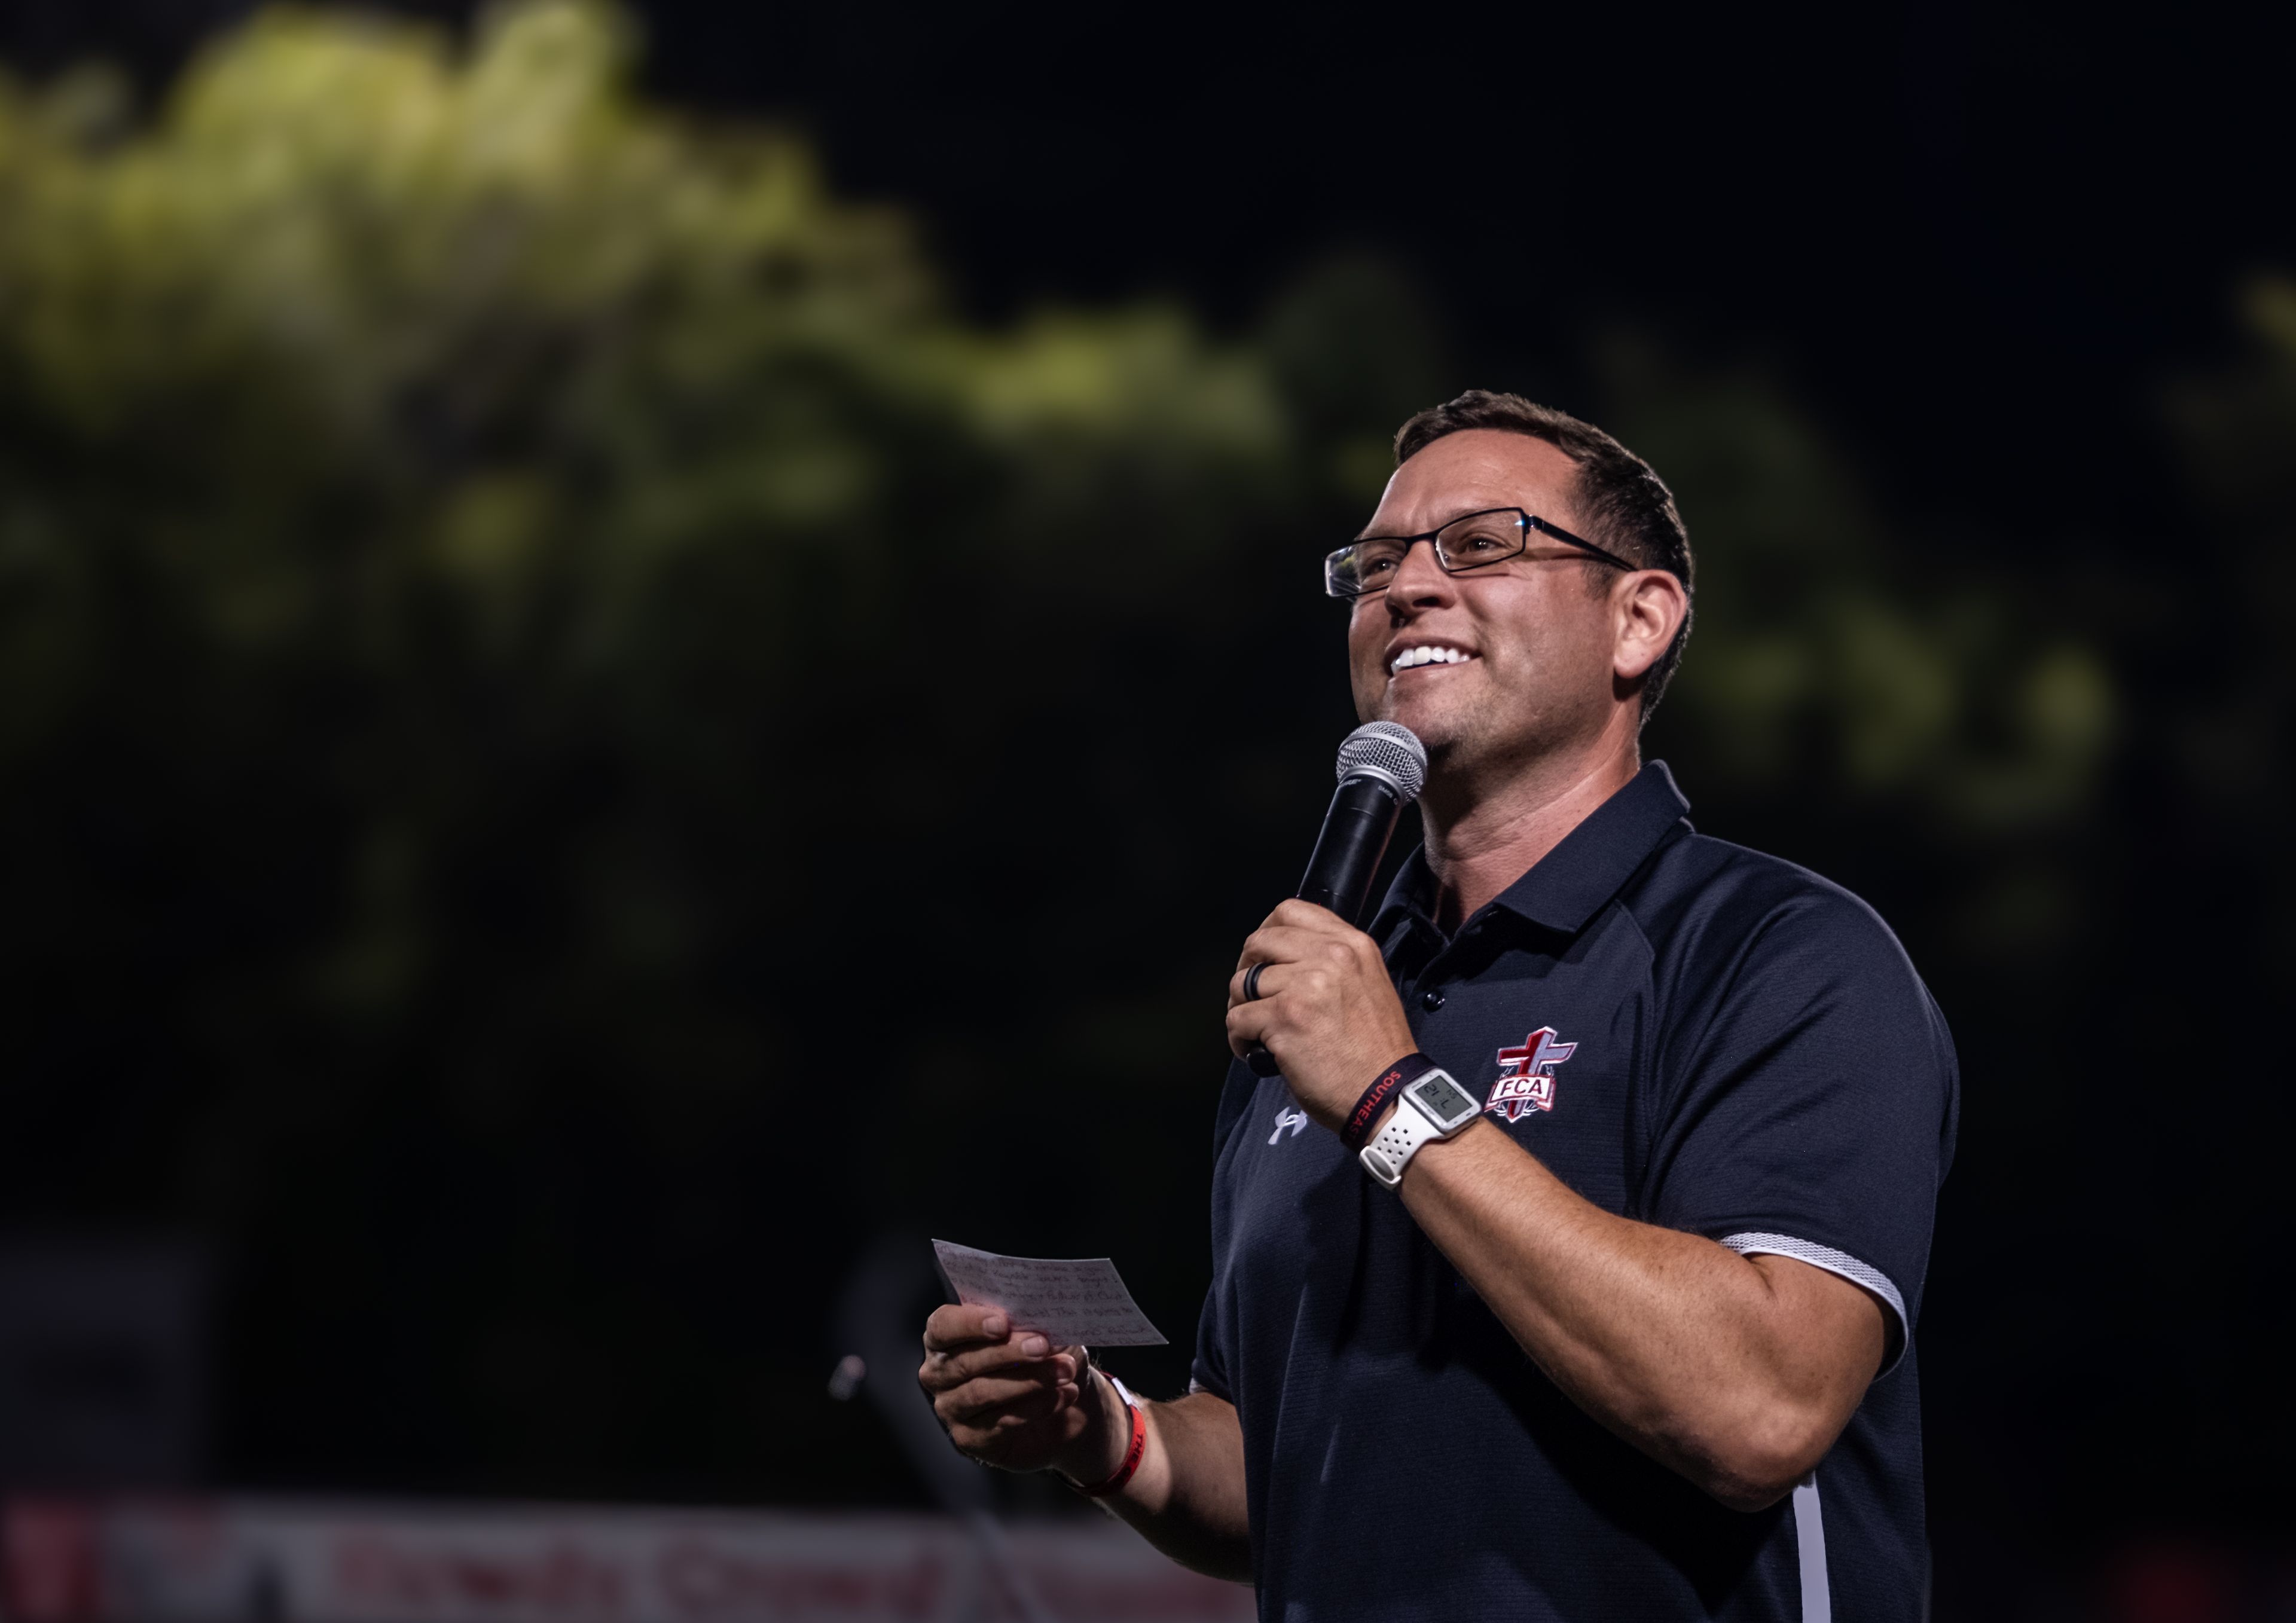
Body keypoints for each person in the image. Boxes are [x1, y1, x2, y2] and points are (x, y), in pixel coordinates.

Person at [918, 390, 1958, 1621]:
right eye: (1376, 561)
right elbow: (1288, 1464)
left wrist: (1390, 1096)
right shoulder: (1325, 996)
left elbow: (1759, 1404)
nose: (1406, 587)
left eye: (1480, 542)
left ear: (1639, 618)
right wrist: (1104, 1429)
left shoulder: (1775, 950)